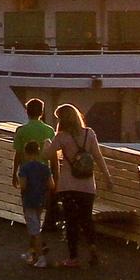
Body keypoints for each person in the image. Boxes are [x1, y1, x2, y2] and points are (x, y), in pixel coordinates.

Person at [51, 104, 101, 268]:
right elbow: (98, 157)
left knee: (71, 221)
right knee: (87, 220)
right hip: (88, 186)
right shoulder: (90, 133)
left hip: (68, 186)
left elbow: (47, 154)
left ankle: (73, 258)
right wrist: (108, 178)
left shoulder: (62, 137)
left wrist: (46, 144)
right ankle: (93, 249)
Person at [13, 98, 56, 268]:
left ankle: (37, 251)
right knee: (37, 216)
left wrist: (13, 173)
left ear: (27, 111)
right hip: (44, 175)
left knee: (30, 217)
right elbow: (53, 156)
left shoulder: (21, 130)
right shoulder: (49, 130)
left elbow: (18, 153)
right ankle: (32, 251)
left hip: (27, 175)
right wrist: (55, 176)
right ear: (42, 112)